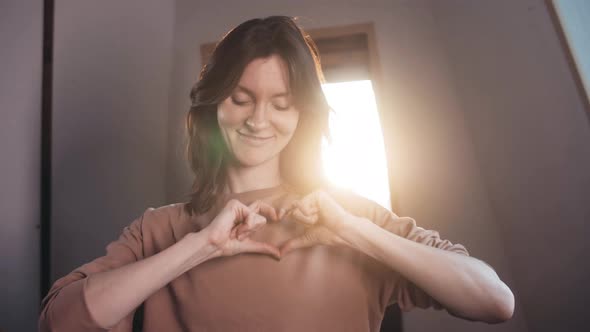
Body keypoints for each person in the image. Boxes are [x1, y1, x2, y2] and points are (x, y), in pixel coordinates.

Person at [38, 16, 514, 332]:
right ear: (211, 105)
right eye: (240, 99)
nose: (258, 120)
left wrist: (352, 230)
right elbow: (58, 322)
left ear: (304, 113)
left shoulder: (354, 217)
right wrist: (199, 246)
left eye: (281, 104)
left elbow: (495, 301)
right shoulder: (160, 230)